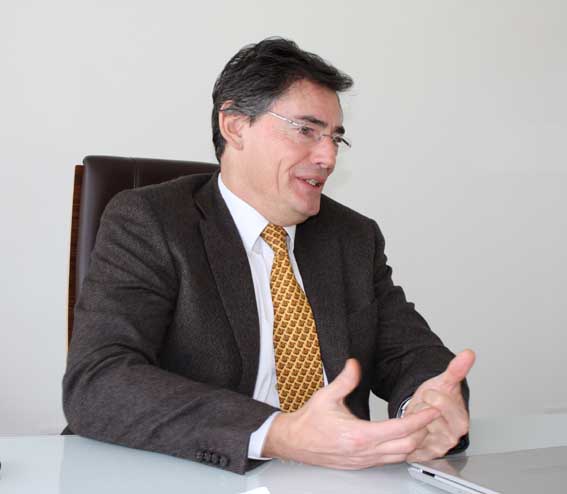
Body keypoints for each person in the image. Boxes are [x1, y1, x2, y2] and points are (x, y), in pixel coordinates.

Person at [63, 37, 474, 475]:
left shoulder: (353, 237)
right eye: (306, 130)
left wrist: (426, 407)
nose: (328, 157)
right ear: (235, 125)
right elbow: (99, 381)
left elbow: (412, 354)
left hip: (335, 481)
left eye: (336, 138)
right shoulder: (150, 221)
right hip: (191, 475)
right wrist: (276, 433)